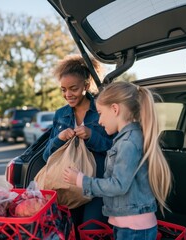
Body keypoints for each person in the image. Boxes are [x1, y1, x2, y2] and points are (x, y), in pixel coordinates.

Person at [63, 81, 173, 240]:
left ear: (115, 109)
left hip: (133, 229)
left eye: (100, 113)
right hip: (130, 225)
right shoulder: (128, 139)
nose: (99, 121)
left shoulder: (128, 143)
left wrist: (81, 180)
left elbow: (118, 185)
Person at [42, 54, 114, 237]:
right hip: (66, 187)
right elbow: (46, 156)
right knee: (69, 232)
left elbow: (115, 149)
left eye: (73, 88)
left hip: (96, 186)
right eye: (63, 90)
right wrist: (59, 138)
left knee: (92, 232)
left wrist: (91, 136)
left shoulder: (102, 110)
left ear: (86, 86)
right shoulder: (60, 115)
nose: (68, 94)